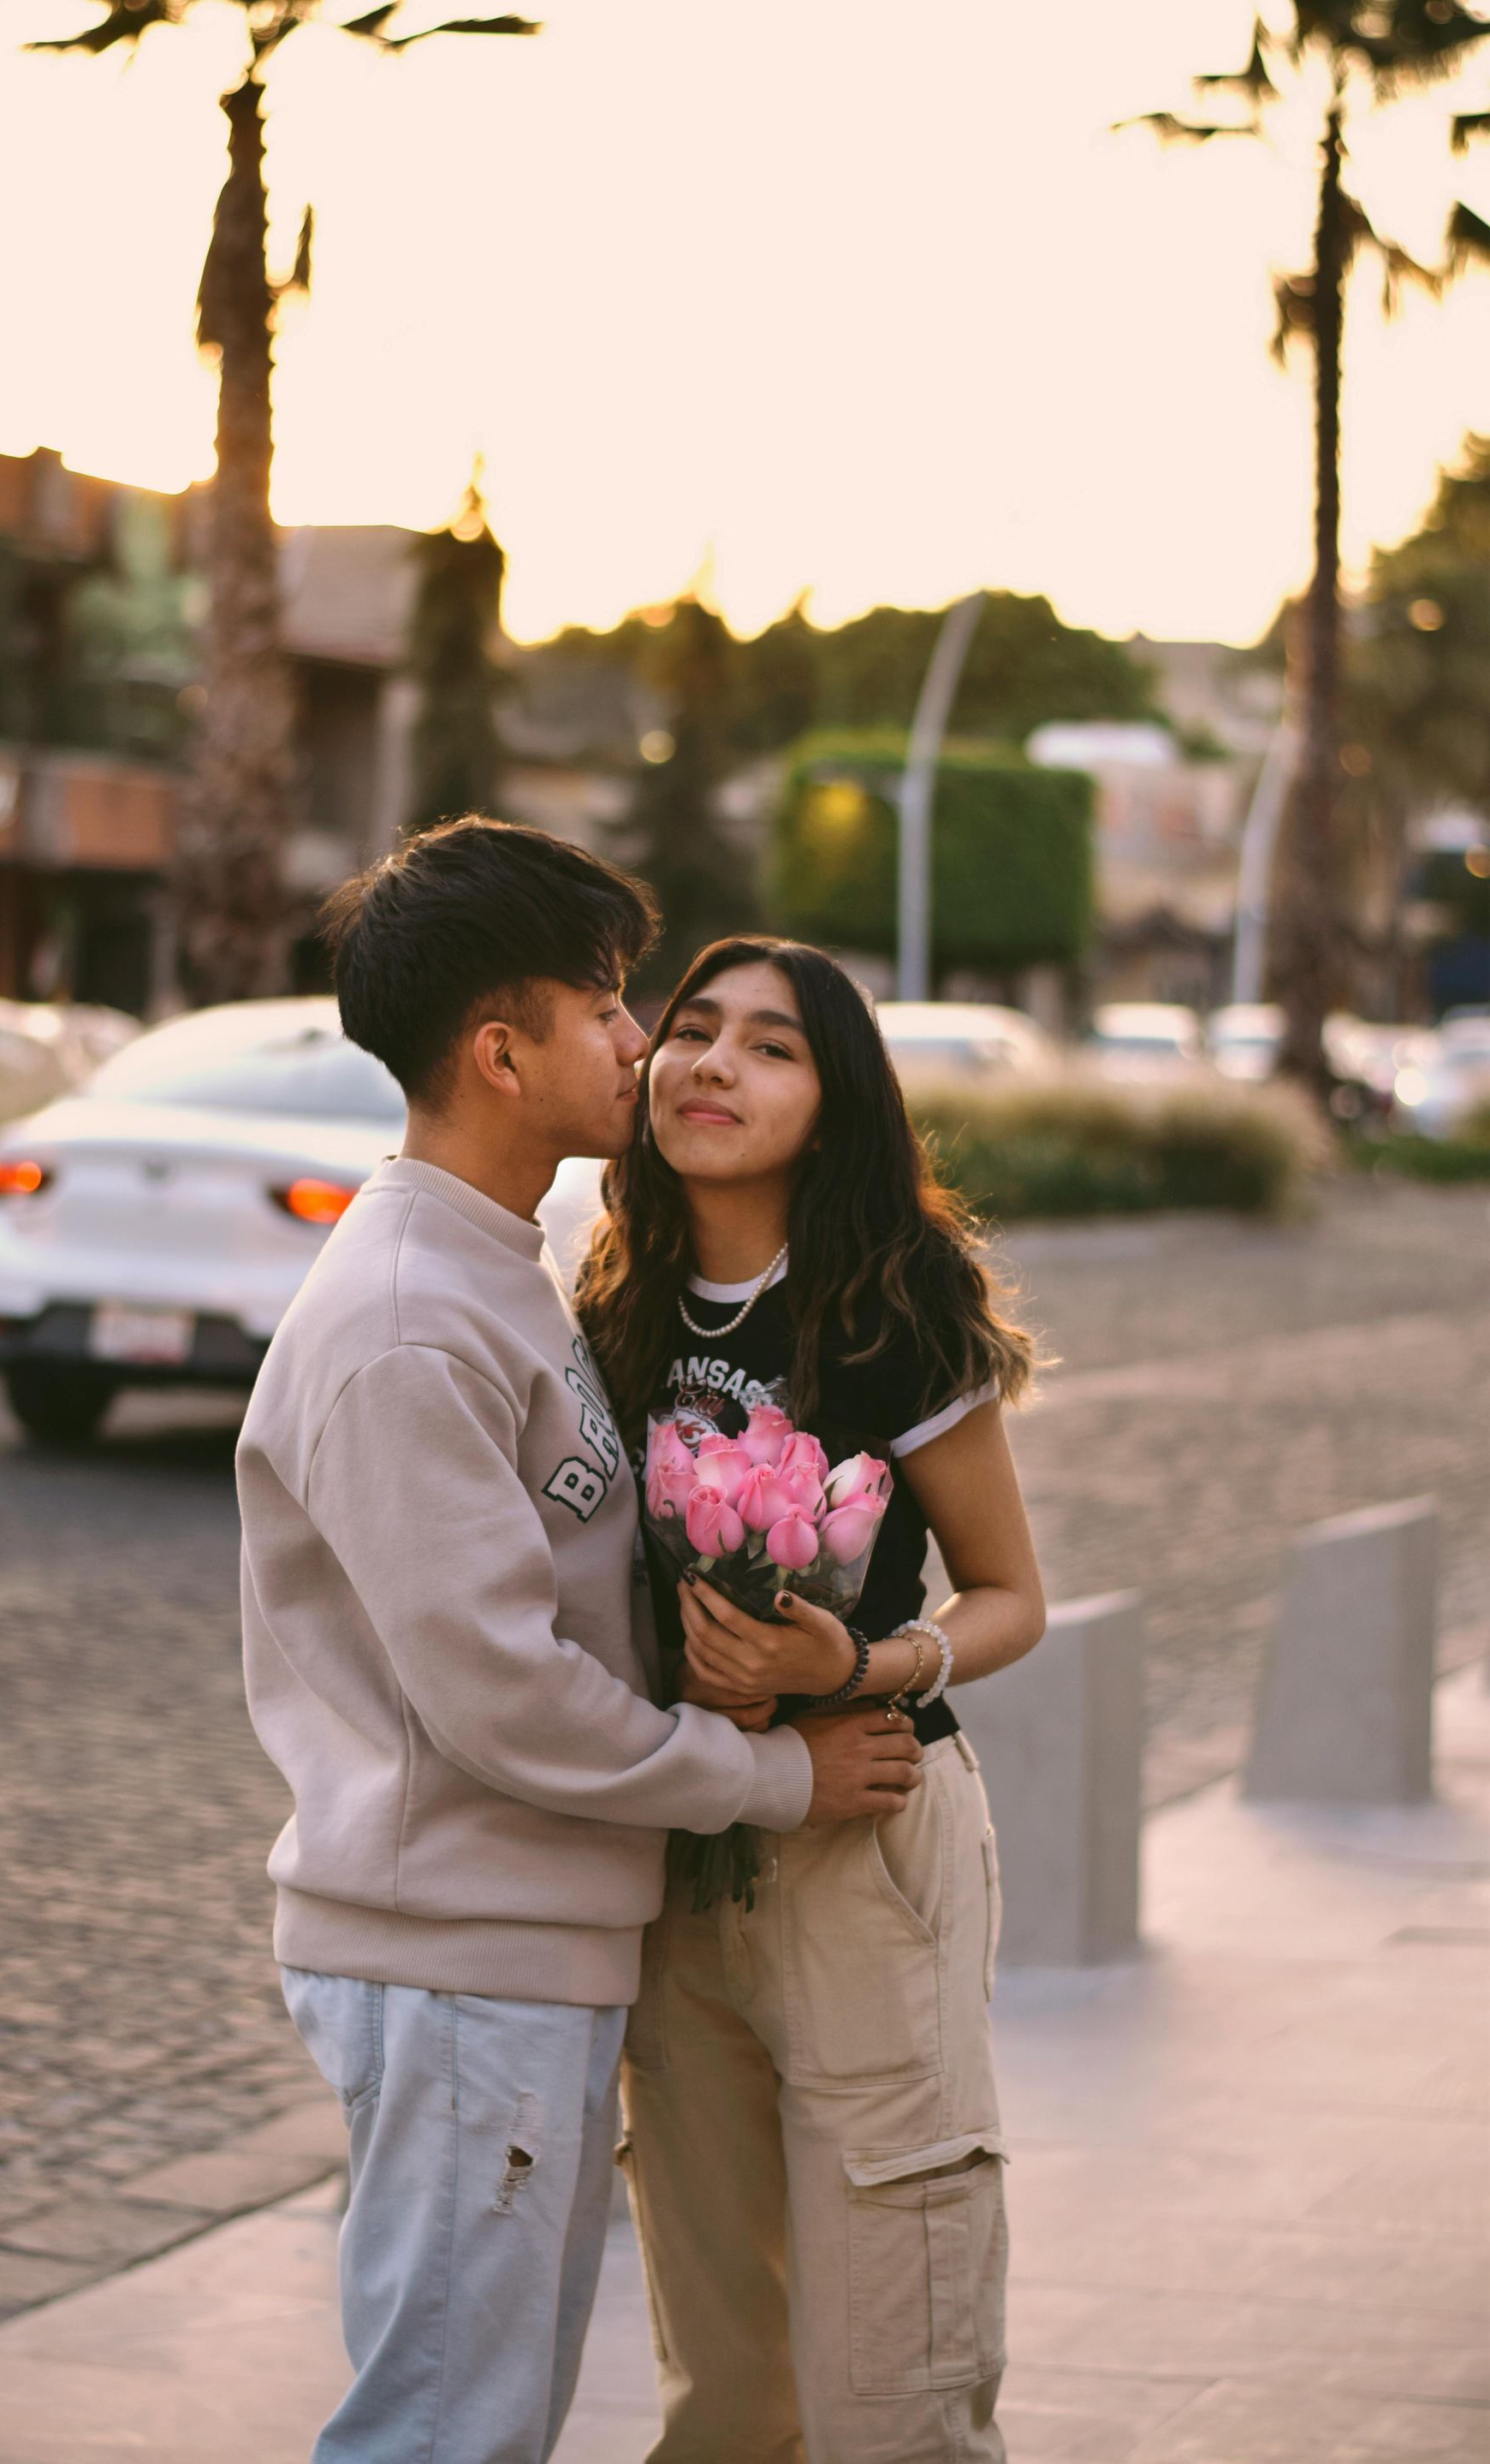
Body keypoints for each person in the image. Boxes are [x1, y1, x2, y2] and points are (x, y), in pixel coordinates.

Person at [236, 823, 923, 2464]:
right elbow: (511, 1706)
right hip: (457, 1953)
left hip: (516, 1945)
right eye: (608, 1006)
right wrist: (771, 1774)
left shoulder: (502, 1269)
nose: (644, 1041)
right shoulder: (409, 1325)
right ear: (498, 1050)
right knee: (443, 2433)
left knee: (486, 2421)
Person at [577, 935, 1047, 2464]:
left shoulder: (890, 1304)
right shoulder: (606, 1306)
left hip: (866, 1839)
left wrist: (853, 1666)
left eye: (772, 1048)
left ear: (837, 1105)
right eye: (692, 1030)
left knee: (893, 2370)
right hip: (680, 1850)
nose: (711, 1065)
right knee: (724, 2384)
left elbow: (1008, 1598)